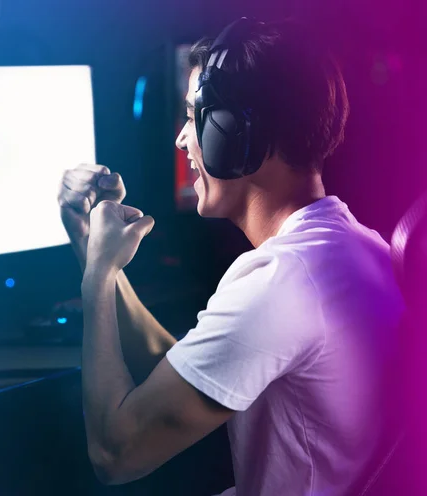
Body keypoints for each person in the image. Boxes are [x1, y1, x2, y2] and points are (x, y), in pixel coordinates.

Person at [57, 18, 404, 495]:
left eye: (194, 117)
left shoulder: (280, 281)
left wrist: (96, 277)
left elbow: (116, 453)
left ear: (236, 134)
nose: (182, 140)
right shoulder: (358, 247)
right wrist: (89, 246)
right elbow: (189, 370)